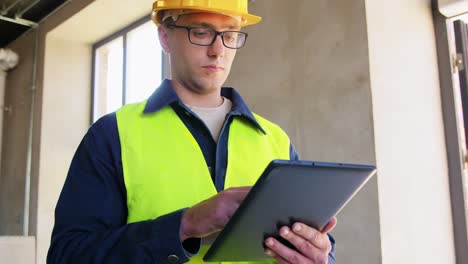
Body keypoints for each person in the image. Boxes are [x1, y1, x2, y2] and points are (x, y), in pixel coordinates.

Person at [47, 0, 337, 263]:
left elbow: (319, 247)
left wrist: (319, 256)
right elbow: (68, 256)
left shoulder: (276, 139)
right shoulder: (113, 135)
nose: (218, 50)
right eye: (201, 32)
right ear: (164, 36)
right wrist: (186, 224)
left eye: (230, 34)